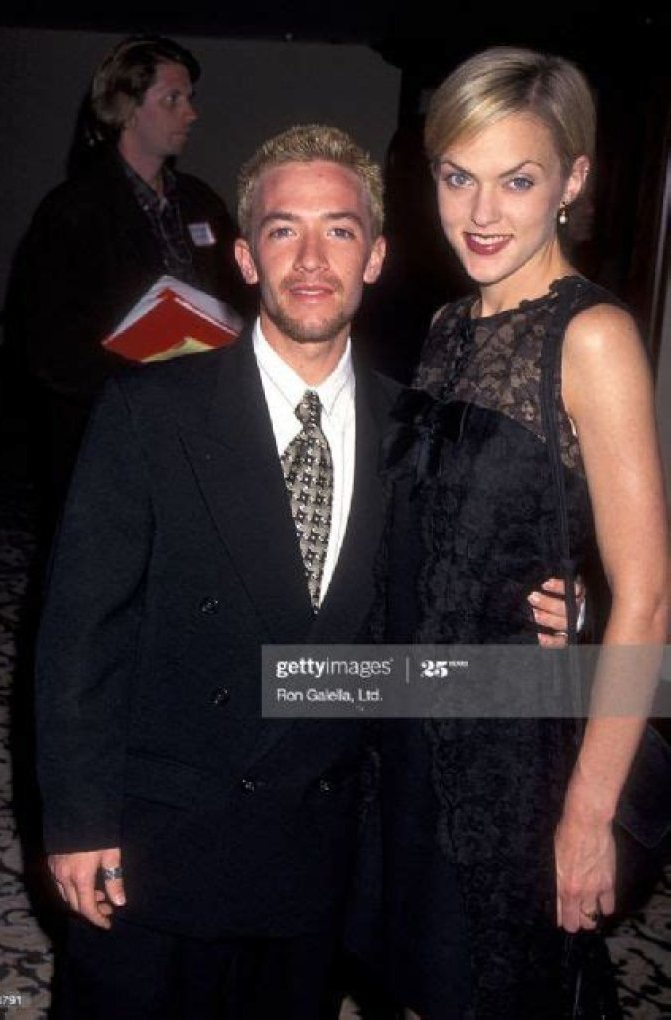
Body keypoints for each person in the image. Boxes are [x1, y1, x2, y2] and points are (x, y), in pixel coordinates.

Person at [33, 121, 574, 1019]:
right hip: (161, 838)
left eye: (341, 230)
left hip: (317, 855)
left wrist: (557, 610)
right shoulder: (149, 410)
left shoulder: (418, 433)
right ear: (246, 257)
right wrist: (79, 818)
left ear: (376, 257)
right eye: (285, 230)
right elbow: (81, 634)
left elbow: (441, 624)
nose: (313, 259)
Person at [373, 46, 669, 1018]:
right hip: (412, 718)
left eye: (518, 180)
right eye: (458, 177)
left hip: (509, 749)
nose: (481, 212)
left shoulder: (593, 339)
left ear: (572, 181)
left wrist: (587, 815)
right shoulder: (447, 325)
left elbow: (648, 595)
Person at [5, 34, 248, 544]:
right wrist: (144, 354)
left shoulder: (200, 202)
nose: (191, 113)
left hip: (194, 425)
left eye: (190, 98)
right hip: (109, 430)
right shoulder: (74, 211)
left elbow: (237, 298)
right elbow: (48, 349)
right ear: (125, 107)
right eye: (172, 99)